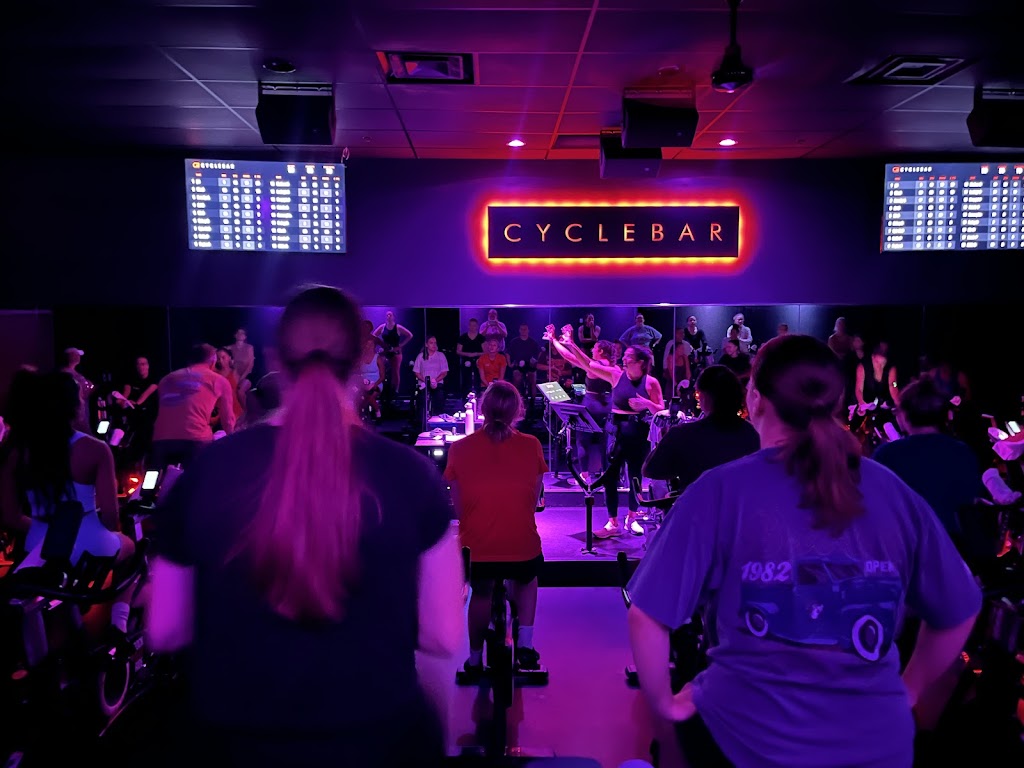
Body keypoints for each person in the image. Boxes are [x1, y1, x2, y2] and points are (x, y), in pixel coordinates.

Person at [627, 335, 981, 768]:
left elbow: (646, 615)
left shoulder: (718, 491)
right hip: (879, 747)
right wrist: (909, 688)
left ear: (755, 399)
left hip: (744, 740)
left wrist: (664, 706)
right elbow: (960, 609)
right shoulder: (892, 490)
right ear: (835, 402)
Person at [146, 285, 464, 767]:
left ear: (277, 359)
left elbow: (166, 630)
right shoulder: (412, 474)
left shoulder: (207, 471)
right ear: (359, 359)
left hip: (230, 748)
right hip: (376, 744)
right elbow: (441, 635)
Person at [0, 371, 136, 642]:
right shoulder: (96, 449)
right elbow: (111, 520)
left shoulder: (17, 450)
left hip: (40, 546)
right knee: (133, 549)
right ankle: (119, 626)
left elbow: (10, 516)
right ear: (73, 406)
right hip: (91, 543)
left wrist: (48, 530)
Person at [444, 380, 547, 675]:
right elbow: (533, 501)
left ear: (482, 410)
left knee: (480, 593)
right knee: (526, 580)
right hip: (521, 545)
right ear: (517, 411)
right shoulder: (532, 445)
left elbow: (460, 509)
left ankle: (475, 660)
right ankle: (525, 645)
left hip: (477, 549)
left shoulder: (459, 448)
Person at [550, 327, 664, 538]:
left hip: (639, 431)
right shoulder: (616, 375)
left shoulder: (651, 382)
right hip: (616, 430)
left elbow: (661, 409)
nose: (624, 359)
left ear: (640, 362)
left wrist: (646, 404)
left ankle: (632, 517)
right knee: (609, 477)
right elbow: (587, 364)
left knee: (635, 476)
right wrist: (571, 343)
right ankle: (612, 522)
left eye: (628, 357)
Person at [873, 376, 982, 546]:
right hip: (951, 547)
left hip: (902, 547)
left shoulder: (886, 455)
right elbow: (968, 503)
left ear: (905, 415)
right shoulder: (962, 452)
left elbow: (875, 509)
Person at [643, 365, 760, 494]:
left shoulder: (683, 434)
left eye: (698, 394)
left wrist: (667, 441)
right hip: (742, 505)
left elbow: (651, 470)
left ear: (704, 396)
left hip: (697, 504)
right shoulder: (753, 433)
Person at [150, 343, 237, 470]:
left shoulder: (165, 379)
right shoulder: (219, 381)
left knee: (154, 475)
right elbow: (228, 421)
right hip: (195, 440)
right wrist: (235, 443)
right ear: (213, 360)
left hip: (160, 438)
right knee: (199, 477)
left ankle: (150, 482)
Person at [413, 335, 449, 417]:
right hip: (424, 383)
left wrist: (435, 381)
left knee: (439, 396)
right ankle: (422, 418)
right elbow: (416, 372)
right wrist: (426, 381)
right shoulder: (420, 356)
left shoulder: (441, 356)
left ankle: (437, 417)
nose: (434, 345)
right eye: (431, 343)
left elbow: (444, 372)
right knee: (422, 399)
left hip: (437, 383)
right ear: (426, 344)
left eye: (435, 343)